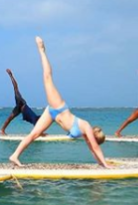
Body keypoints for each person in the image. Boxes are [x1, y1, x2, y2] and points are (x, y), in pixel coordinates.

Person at [9, 37, 110, 168]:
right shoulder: (86, 126)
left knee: (34, 134)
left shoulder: (85, 134)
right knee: (47, 78)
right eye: (96, 141)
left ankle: (15, 155)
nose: (93, 142)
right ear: (96, 137)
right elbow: (95, 148)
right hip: (59, 107)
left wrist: (100, 163)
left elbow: (92, 149)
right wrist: (106, 165)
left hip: (52, 114)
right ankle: (41, 49)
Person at [0, 69, 40, 135]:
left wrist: (11, 75)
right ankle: (2, 130)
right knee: (35, 119)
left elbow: (15, 86)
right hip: (23, 108)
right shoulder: (18, 96)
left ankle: (2, 130)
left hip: (20, 108)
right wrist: (11, 75)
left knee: (10, 118)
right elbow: (15, 85)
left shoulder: (18, 96)